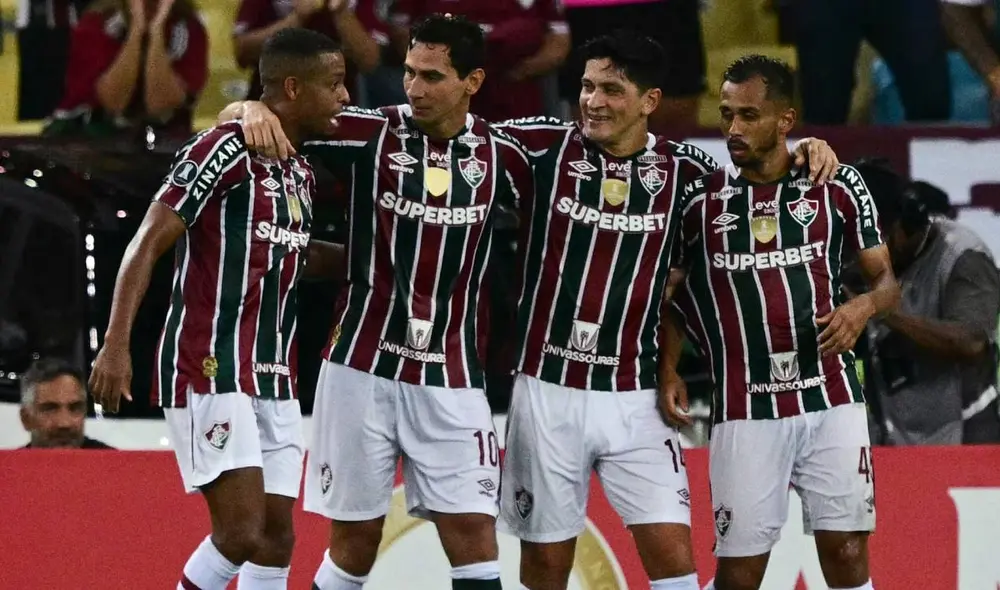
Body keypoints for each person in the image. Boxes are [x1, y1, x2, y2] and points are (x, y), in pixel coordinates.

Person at [492, 34, 840, 590]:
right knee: (545, 570)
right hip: (546, 391)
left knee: (675, 565)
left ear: (650, 101)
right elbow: (450, 135)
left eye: (611, 89)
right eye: (586, 86)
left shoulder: (689, 171)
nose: (593, 101)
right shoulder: (542, 148)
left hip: (636, 397)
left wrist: (806, 149)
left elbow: (759, 181)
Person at [223, 14, 534, 590]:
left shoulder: (506, 152)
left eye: (433, 77)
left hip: (453, 376)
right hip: (359, 370)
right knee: (355, 545)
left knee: (474, 540)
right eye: (410, 72)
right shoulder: (369, 130)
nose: (414, 89)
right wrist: (249, 109)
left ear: (473, 81)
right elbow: (259, 117)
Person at [88, 28, 349, 590]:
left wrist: (381, 262)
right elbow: (149, 238)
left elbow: (290, 256)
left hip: (274, 375)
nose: (345, 97)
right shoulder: (225, 147)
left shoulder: (299, 171)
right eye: (335, 85)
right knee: (240, 533)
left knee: (278, 539)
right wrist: (115, 344)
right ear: (293, 88)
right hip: (210, 364)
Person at [663, 55, 900, 590]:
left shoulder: (838, 187)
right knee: (741, 570)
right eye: (726, 115)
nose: (733, 129)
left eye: (749, 115)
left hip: (830, 397)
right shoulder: (699, 201)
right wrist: (669, 369)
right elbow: (673, 299)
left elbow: (887, 284)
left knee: (844, 550)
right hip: (744, 406)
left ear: (785, 121)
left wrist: (860, 308)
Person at [852, 159, 1000, 446]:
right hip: (892, 437)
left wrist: (883, 311)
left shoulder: (964, 256)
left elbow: (970, 342)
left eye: (876, 238)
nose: (867, 252)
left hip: (966, 437)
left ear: (908, 222)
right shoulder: (857, 263)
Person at [48, 0, 209, 138]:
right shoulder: (96, 24)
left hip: (160, 145)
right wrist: (137, 29)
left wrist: (156, 29)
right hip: (85, 138)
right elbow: (114, 102)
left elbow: (159, 105)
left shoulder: (190, 30)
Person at [19, 357, 114, 449]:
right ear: (26, 419)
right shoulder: (9, 464)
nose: (64, 423)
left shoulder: (114, 462)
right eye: (50, 409)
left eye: (75, 408)